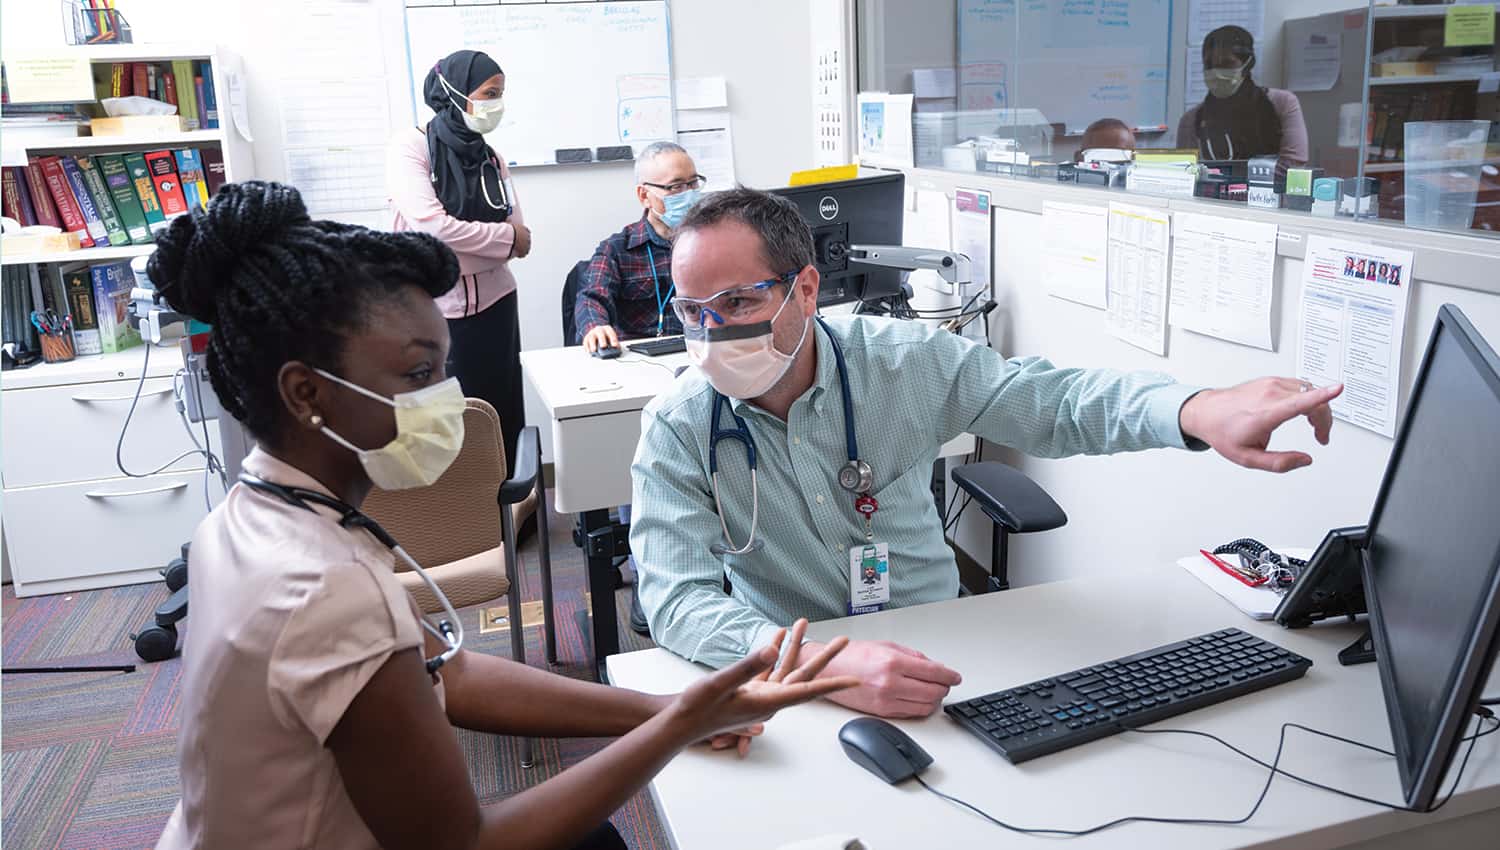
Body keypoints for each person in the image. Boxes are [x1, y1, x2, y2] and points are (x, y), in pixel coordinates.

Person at [150, 181, 858, 850]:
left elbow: (449, 675)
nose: (448, 399)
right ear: (307, 392)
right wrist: (677, 724)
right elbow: (468, 843)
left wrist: (655, 710)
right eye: (419, 374)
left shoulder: (248, 517)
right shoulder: (320, 585)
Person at [629, 187, 1344, 721]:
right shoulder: (679, 425)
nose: (711, 334)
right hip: (791, 673)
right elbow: (677, 600)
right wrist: (823, 665)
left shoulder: (903, 365)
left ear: (806, 289)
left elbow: (1054, 403)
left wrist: (1194, 409)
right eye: (693, 313)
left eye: (736, 304)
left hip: (950, 646)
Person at [388, 49, 531, 476]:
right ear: (454, 91)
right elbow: (432, 231)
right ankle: (454, 527)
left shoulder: (491, 157)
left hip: (496, 305)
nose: (496, 104)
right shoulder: (410, 148)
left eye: (501, 94)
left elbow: (520, 234)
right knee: (438, 422)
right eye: (489, 93)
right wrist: (500, 242)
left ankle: (511, 516)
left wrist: (470, 245)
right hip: (430, 313)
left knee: (500, 413)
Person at [575, 141, 704, 352]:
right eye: (676, 187)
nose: (689, 194)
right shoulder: (617, 249)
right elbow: (592, 296)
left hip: (702, 354)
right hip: (638, 359)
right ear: (644, 196)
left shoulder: (711, 242)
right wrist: (596, 326)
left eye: (693, 183)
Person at [1178, 25, 1308, 168]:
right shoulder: (1192, 120)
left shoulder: (1282, 103)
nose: (1216, 72)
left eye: (1227, 63)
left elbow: (1293, 165)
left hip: (1271, 190)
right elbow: (1186, 172)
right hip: (1214, 190)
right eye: (1209, 65)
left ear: (1247, 64)